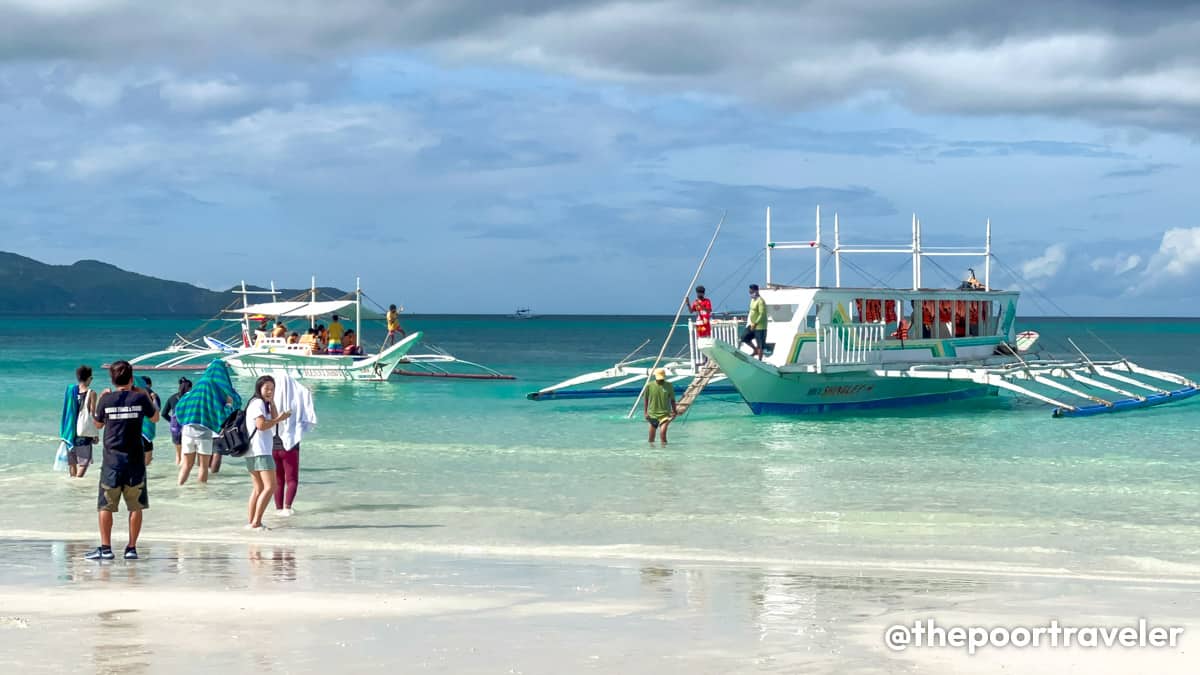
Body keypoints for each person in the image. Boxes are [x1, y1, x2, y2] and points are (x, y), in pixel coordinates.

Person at [86, 360, 159, 560]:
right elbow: (155, 418)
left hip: (112, 461)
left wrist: (100, 400)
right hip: (135, 459)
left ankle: (106, 548)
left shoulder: (106, 400)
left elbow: (98, 424)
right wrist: (144, 395)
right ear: (131, 378)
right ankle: (131, 548)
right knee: (135, 506)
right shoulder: (139, 398)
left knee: (105, 505)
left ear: (112, 379)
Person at [173, 361, 240, 485]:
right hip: (204, 434)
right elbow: (223, 413)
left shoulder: (198, 387)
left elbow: (180, 405)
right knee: (203, 467)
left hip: (187, 431)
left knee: (187, 465)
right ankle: (201, 494)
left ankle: (179, 488)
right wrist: (229, 405)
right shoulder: (217, 390)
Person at [244, 376, 290, 530]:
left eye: (272, 388)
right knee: (270, 487)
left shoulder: (261, 403)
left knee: (258, 488)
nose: (269, 391)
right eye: (266, 388)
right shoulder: (257, 403)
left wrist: (272, 402)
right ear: (259, 388)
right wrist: (279, 419)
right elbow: (262, 425)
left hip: (252, 451)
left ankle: (252, 522)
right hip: (260, 450)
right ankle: (256, 522)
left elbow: (275, 419)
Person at [271, 372, 317, 516]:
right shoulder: (298, 395)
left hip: (272, 443)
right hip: (291, 444)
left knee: (277, 480)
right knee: (291, 479)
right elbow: (308, 417)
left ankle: (278, 509)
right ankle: (287, 507)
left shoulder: (271, 397)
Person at [61, 365, 100, 478]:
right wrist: (95, 433)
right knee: (84, 461)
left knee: (72, 461)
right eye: (91, 378)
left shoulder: (70, 390)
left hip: (70, 430)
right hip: (83, 431)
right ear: (88, 378)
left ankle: (72, 484)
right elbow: (92, 414)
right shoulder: (91, 393)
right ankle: (77, 483)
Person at [161, 377, 192, 465]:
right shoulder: (191, 398)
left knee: (178, 454)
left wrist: (172, 422)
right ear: (190, 388)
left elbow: (163, 414)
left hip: (176, 428)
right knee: (187, 454)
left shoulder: (172, 397)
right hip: (189, 428)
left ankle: (176, 475)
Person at [643, 368, 678, 445]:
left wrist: (674, 411)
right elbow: (646, 399)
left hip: (665, 414)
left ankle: (664, 453)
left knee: (663, 434)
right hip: (652, 414)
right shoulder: (649, 385)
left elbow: (672, 399)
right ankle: (652, 453)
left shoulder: (669, 385)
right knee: (651, 438)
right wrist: (645, 412)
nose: (660, 380)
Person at [138, 376, 161, 467]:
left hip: (135, 428)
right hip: (147, 429)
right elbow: (157, 411)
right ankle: (142, 474)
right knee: (147, 454)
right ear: (150, 384)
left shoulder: (135, 394)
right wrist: (154, 399)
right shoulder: (153, 395)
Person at [742, 283, 767, 360]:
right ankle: (755, 349)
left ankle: (760, 360)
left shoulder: (760, 301)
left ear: (756, 291)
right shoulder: (752, 300)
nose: (750, 294)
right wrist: (752, 323)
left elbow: (761, 314)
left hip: (760, 326)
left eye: (751, 292)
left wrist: (756, 323)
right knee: (744, 337)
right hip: (752, 324)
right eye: (749, 292)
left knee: (760, 345)